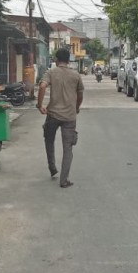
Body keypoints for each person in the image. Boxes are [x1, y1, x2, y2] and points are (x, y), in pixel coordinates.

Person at [37, 48, 84, 188]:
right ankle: (64, 180)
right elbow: (80, 94)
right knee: (68, 148)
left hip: (52, 115)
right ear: (69, 60)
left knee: (49, 140)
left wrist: (40, 105)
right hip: (69, 116)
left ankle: (52, 168)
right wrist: (76, 107)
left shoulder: (51, 72)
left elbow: (42, 86)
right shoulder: (76, 75)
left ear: (56, 60)